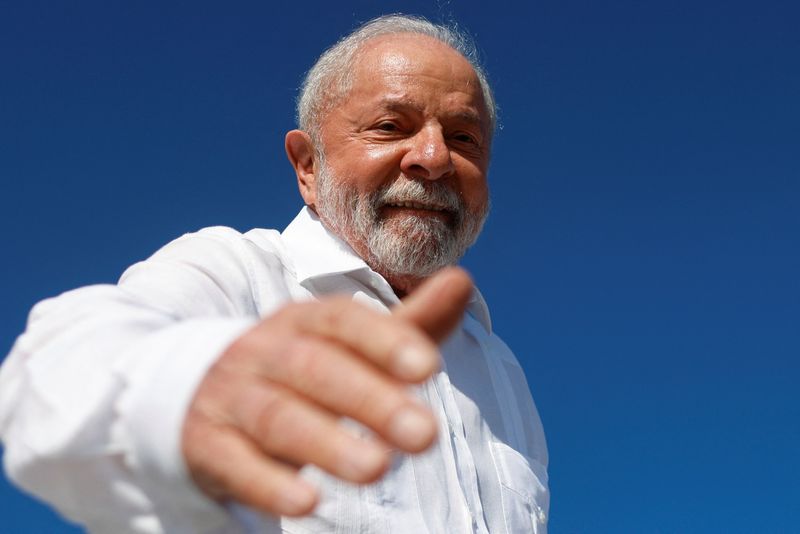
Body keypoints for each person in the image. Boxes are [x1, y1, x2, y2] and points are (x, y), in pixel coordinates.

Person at [0, 14, 549, 534]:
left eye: (464, 138)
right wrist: (185, 389)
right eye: (390, 126)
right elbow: (48, 372)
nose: (433, 157)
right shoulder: (236, 272)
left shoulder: (500, 367)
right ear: (308, 166)